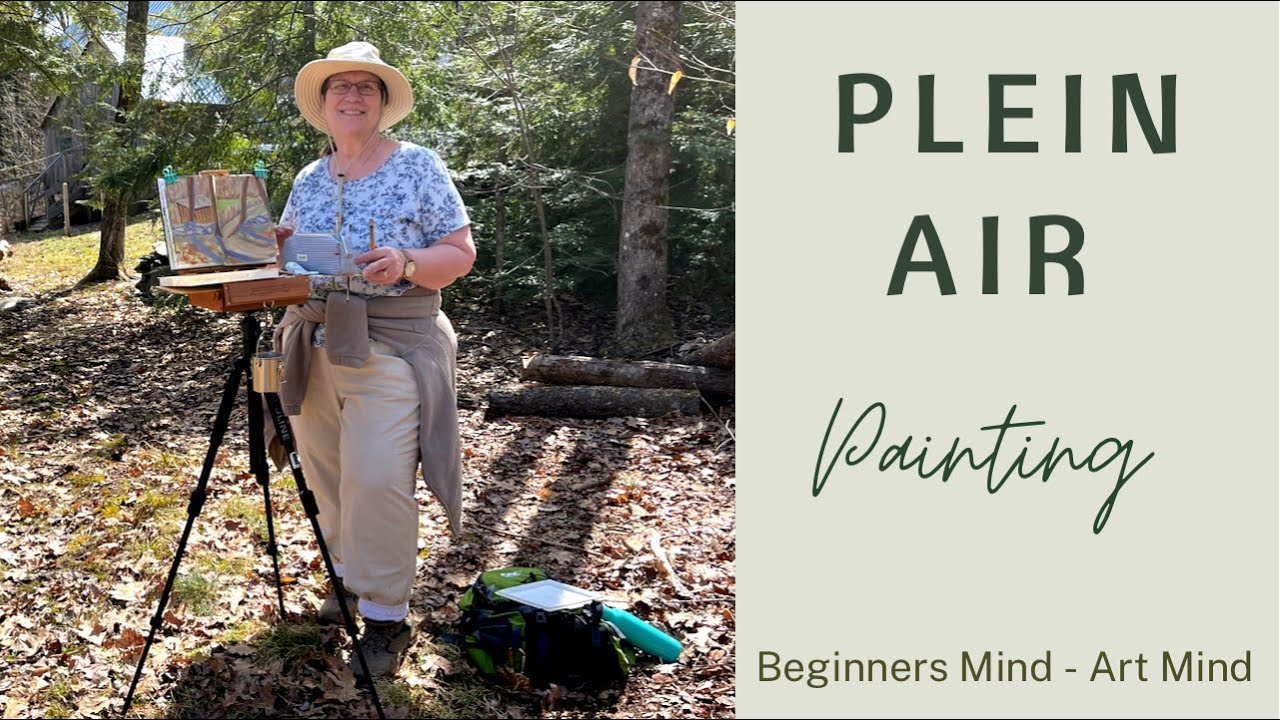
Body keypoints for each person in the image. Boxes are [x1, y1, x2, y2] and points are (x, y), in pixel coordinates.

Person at [269, 40, 476, 678]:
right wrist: (276, 249)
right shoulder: (309, 176)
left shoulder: (417, 165)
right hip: (313, 343)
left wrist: (408, 263)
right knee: (328, 477)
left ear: (382, 102)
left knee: (379, 478)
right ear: (323, 104)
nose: (352, 96)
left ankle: (386, 614)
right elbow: (292, 261)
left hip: (391, 343)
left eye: (366, 87)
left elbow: (460, 252)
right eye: (341, 87)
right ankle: (344, 580)